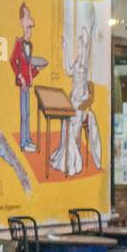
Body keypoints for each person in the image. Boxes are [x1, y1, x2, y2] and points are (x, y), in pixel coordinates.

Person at [49, 27, 102, 177]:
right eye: (78, 46)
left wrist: (86, 37)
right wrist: (64, 49)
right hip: (73, 100)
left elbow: (87, 49)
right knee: (66, 124)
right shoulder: (78, 62)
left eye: (80, 46)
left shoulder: (84, 63)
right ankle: (65, 156)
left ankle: (73, 160)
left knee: (74, 126)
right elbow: (67, 70)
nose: (78, 48)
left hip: (81, 103)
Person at [10, 3, 47, 153]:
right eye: (28, 28)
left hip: (28, 83)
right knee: (24, 114)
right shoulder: (19, 43)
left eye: (31, 29)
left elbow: (30, 69)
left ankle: (27, 140)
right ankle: (23, 143)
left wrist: (38, 69)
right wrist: (20, 77)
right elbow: (13, 61)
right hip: (22, 83)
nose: (30, 31)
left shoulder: (29, 45)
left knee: (28, 113)